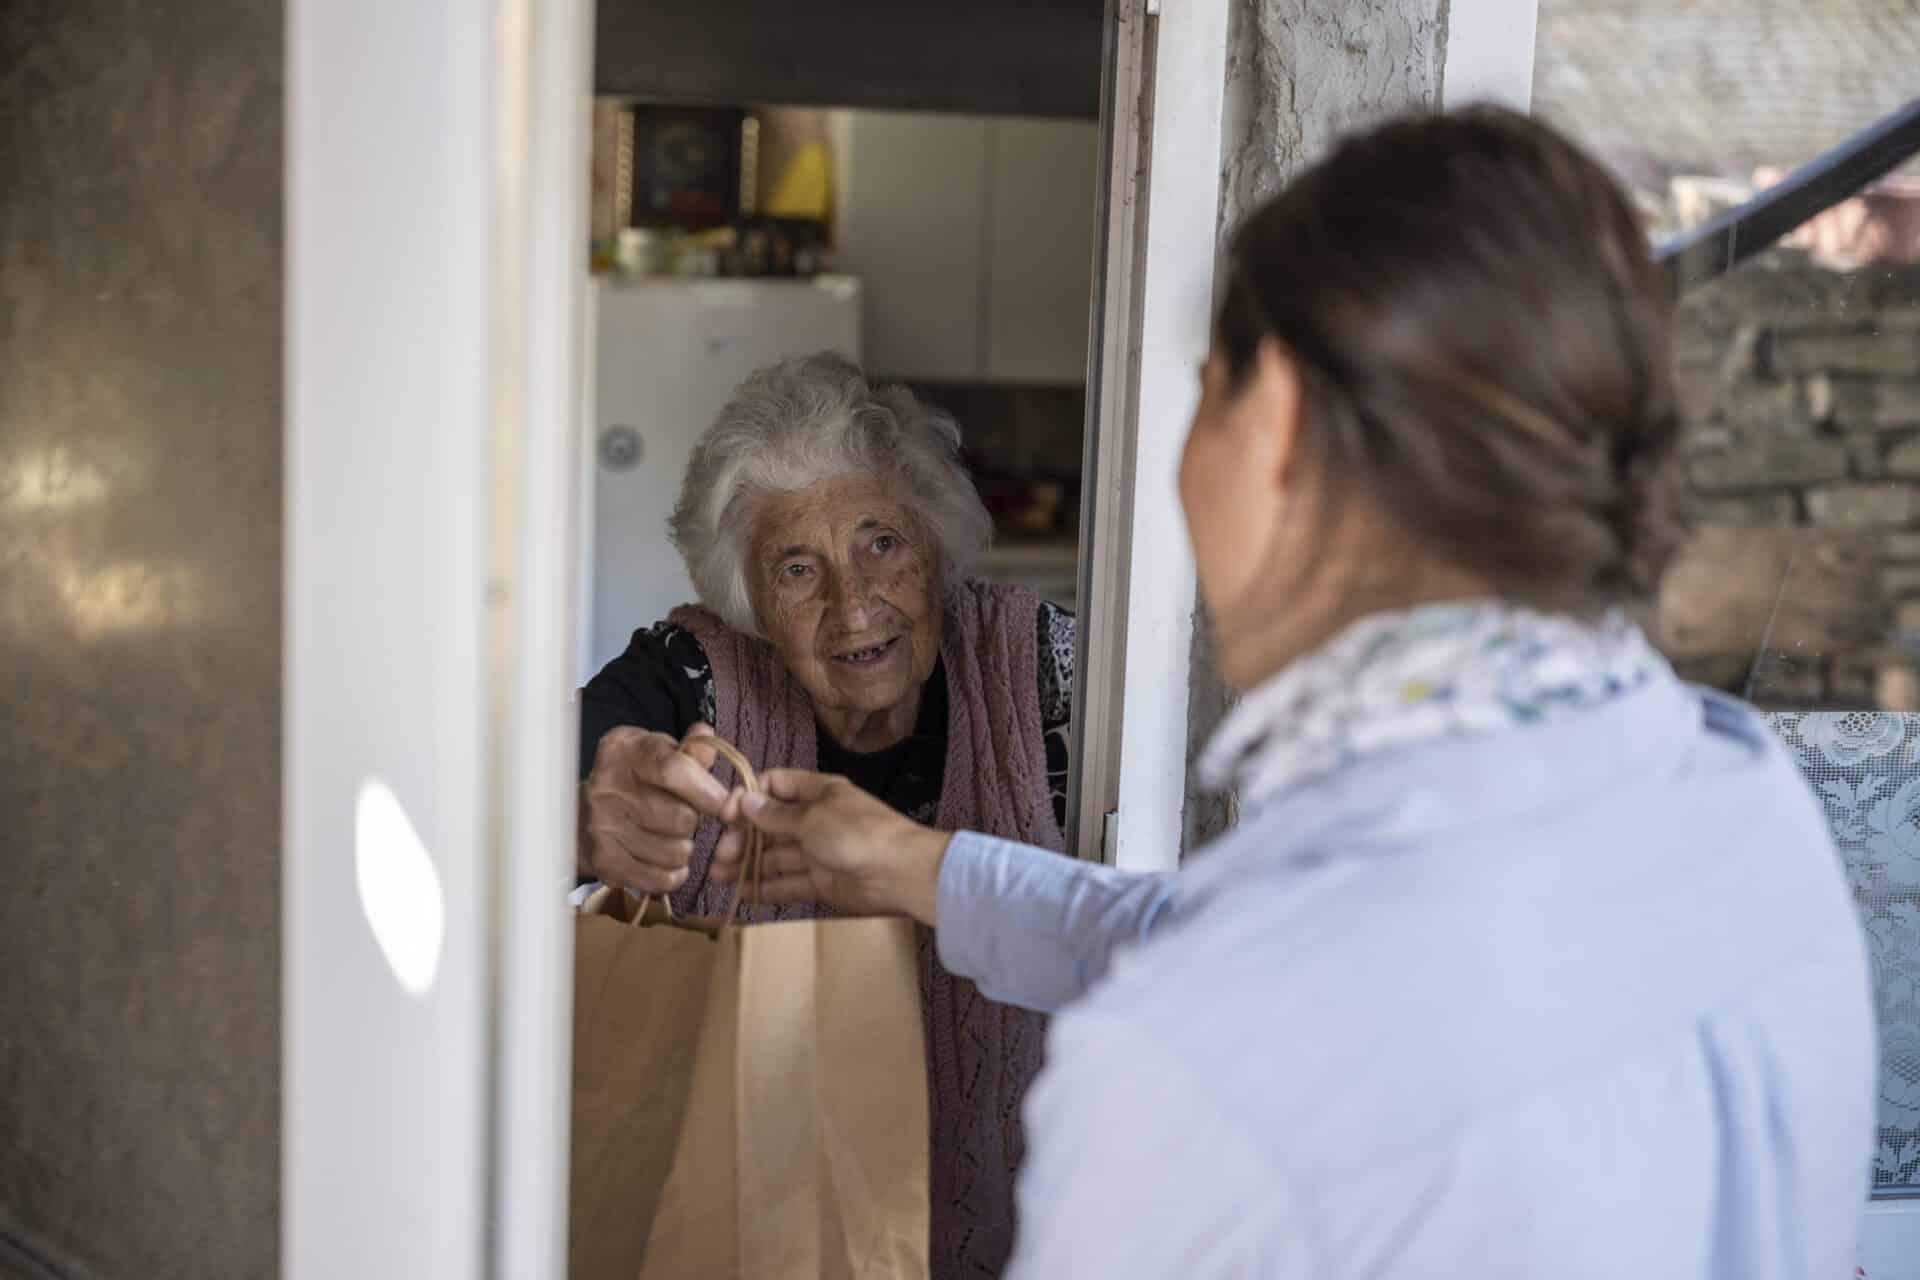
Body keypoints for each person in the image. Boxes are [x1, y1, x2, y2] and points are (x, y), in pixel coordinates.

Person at [712, 107, 1878, 1277]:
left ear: (1274, 422)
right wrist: (917, 864)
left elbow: (1252, 989)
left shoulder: (1191, 1070)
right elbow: (1243, 946)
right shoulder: (1735, 792)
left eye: (1202, 390)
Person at [575, 350, 1076, 1278]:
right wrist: (583, 814)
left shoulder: (1041, 669)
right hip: (750, 1224)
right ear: (750, 603)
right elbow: (556, 762)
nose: (855, 606)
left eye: (883, 543)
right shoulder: (693, 675)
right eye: (798, 569)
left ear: (935, 546)